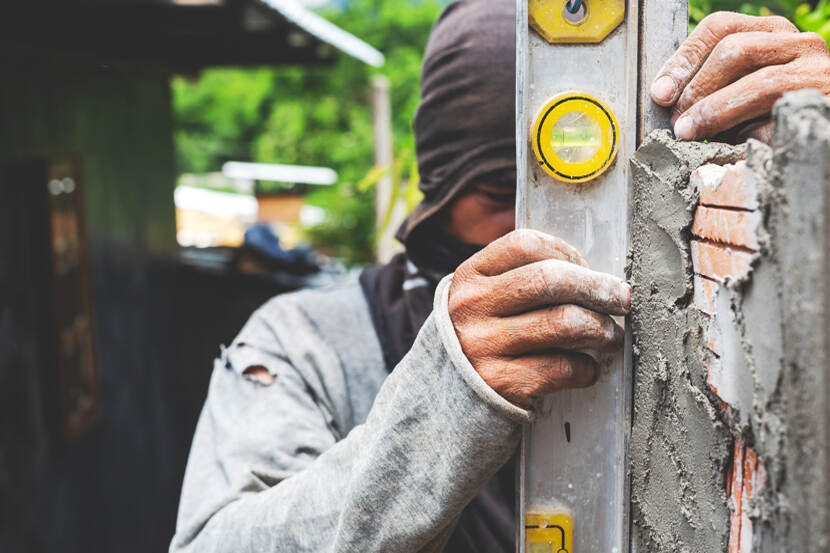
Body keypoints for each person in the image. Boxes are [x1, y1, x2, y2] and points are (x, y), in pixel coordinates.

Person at [169, 2, 830, 552]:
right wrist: (447, 399)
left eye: (587, 189)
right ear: (437, 191)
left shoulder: (705, 317)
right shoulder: (309, 344)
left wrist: (811, 169)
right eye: (498, 189)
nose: (537, 232)